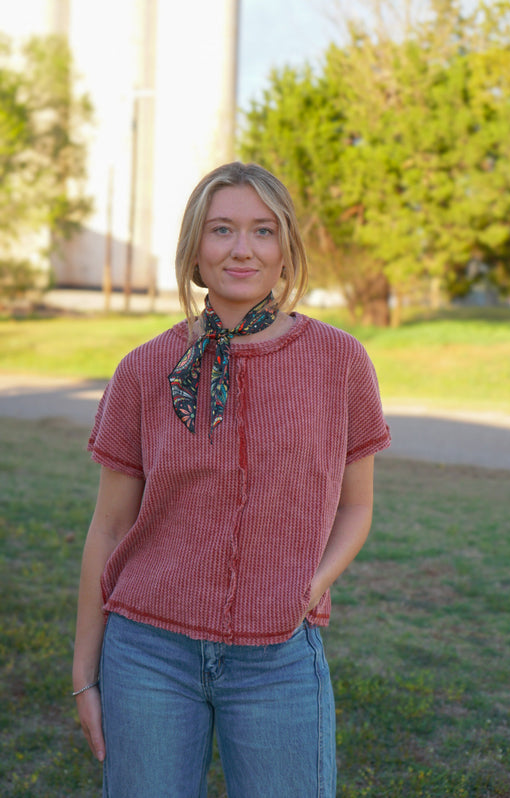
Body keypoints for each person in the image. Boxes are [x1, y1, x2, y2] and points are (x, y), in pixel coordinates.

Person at [72, 161, 391, 797]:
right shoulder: (145, 369)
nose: (242, 249)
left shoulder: (340, 362)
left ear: (286, 249)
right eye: (222, 229)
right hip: (148, 653)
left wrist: (311, 585)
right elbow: (108, 528)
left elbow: (356, 507)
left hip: (280, 654)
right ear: (195, 248)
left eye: (262, 231)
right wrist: (85, 671)